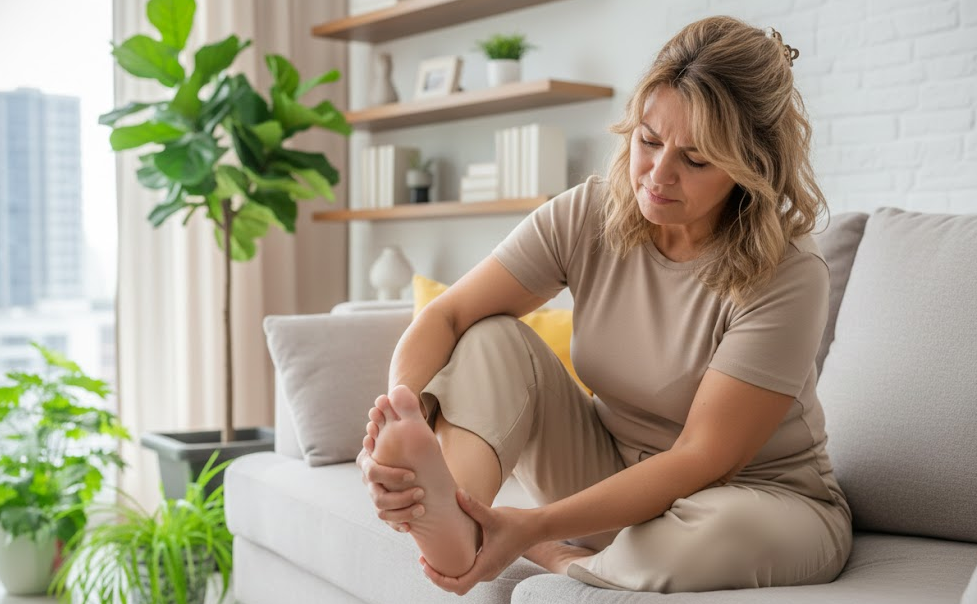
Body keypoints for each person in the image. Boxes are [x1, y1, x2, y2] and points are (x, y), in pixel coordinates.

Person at [357, 15, 853, 595]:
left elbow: (701, 458)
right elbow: (446, 315)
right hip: (609, 478)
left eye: (695, 159)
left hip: (757, 501)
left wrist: (534, 529)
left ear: (751, 167)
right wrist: (399, 416)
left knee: (712, 531)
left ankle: (561, 560)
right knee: (489, 334)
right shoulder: (588, 213)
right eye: (648, 140)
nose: (658, 174)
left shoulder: (789, 272)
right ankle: (456, 513)